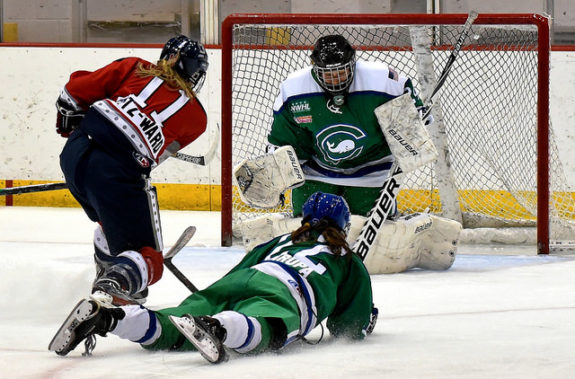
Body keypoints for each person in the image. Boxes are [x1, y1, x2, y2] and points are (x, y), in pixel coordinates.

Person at [48, 192, 378, 364]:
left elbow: (239, 274)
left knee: (173, 325)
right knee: (271, 328)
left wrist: (214, 294)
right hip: (286, 291)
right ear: (343, 226)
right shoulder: (346, 258)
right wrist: (365, 322)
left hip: (247, 277)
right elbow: (350, 325)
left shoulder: (279, 240)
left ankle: (110, 319)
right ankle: (217, 327)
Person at [55, 35, 209, 305]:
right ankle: (114, 285)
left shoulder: (133, 66)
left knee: (110, 222)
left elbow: (72, 93)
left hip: (73, 155)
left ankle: (115, 273)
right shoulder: (197, 118)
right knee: (150, 259)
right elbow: (156, 156)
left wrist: (68, 127)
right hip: (114, 178)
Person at [267, 34, 431, 217]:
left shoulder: (380, 80)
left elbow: (406, 98)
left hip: (372, 170)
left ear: (353, 63)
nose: (336, 80)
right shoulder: (294, 90)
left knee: (374, 234)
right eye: (328, 75)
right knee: (307, 226)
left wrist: (415, 113)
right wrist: (280, 173)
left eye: (341, 72)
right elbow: (286, 140)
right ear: (315, 68)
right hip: (317, 171)